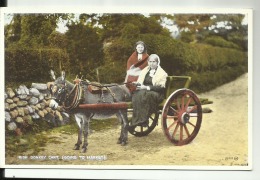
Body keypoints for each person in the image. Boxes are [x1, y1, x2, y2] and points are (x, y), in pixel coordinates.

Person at [130, 54, 168, 127]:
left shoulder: (162, 73)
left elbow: (161, 88)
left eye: (154, 62)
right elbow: (141, 82)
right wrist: (137, 83)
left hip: (157, 93)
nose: (152, 63)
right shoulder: (145, 71)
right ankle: (138, 120)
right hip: (145, 91)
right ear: (148, 62)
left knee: (146, 95)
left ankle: (144, 120)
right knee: (137, 94)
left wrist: (147, 87)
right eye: (150, 61)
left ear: (157, 63)